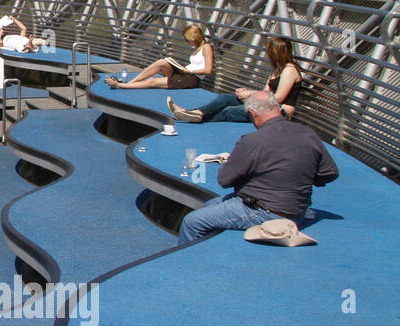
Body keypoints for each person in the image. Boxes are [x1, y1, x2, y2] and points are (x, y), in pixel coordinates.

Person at [177, 91, 338, 244]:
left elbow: (224, 180)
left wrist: (236, 162)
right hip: (298, 209)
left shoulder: (253, 140)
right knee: (211, 204)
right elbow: (330, 173)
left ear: (253, 114)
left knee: (192, 222)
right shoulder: (308, 134)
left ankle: (187, 264)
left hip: (263, 211)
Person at [168, 37, 304, 124]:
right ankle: (195, 113)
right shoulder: (277, 69)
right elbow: (266, 92)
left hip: (279, 112)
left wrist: (250, 95)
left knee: (228, 111)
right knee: (226, 98)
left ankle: (192, 117)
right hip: (266, 104)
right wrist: (248, 92)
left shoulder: (290, 70)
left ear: (275, 52)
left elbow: (278, 98)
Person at [105, 24, 214, 90]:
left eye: (188, 40)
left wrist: (189, 71)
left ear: (195, 38)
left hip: (191, 79)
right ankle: (131, 82)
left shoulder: (206, 47)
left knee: (154, 81)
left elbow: (208, 70)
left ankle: (120, 86)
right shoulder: (198, 49)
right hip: (185, 73)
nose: (187, 42)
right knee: (162, 62)